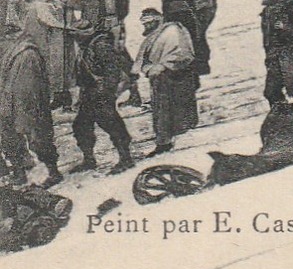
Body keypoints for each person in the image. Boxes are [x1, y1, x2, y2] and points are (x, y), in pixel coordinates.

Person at [0, 17, 61, 187]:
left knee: (39, 140)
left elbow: (30, 87)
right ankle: (19, 173)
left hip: (29, 106)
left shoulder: (27, 54)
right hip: (9, 105)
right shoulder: (8, 54)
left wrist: (23, 110)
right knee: (9, 139)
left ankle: (53, 172)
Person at [68, 20, 134, 174]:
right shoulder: (86, 46)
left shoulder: (100, 45)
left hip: (101, 92)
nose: (75, 38)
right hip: (90, 92)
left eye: (76, 35)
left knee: (111, 124)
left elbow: (113, 70)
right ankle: (89, 159)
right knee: (81, 125)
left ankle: (126, 158)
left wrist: (106, 92)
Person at [135, 9, 197, 155]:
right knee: (161, 111)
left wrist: (163, 66)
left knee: (171, 111)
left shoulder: (172, 31)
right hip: (160, 79)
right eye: (145, 22)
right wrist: (149, 68)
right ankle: (164, 141)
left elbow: (183, 53)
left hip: (174, 77)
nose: (147, 25)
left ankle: (168, 143)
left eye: (149, 22)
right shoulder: (153, 36)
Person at [19, 0, 71, 112]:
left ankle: (64, 99)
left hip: (55, 32)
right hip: (42, 31)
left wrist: (37, 7)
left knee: (59, 65)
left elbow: (60, 7)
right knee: (47, 64)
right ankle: (55, 96)